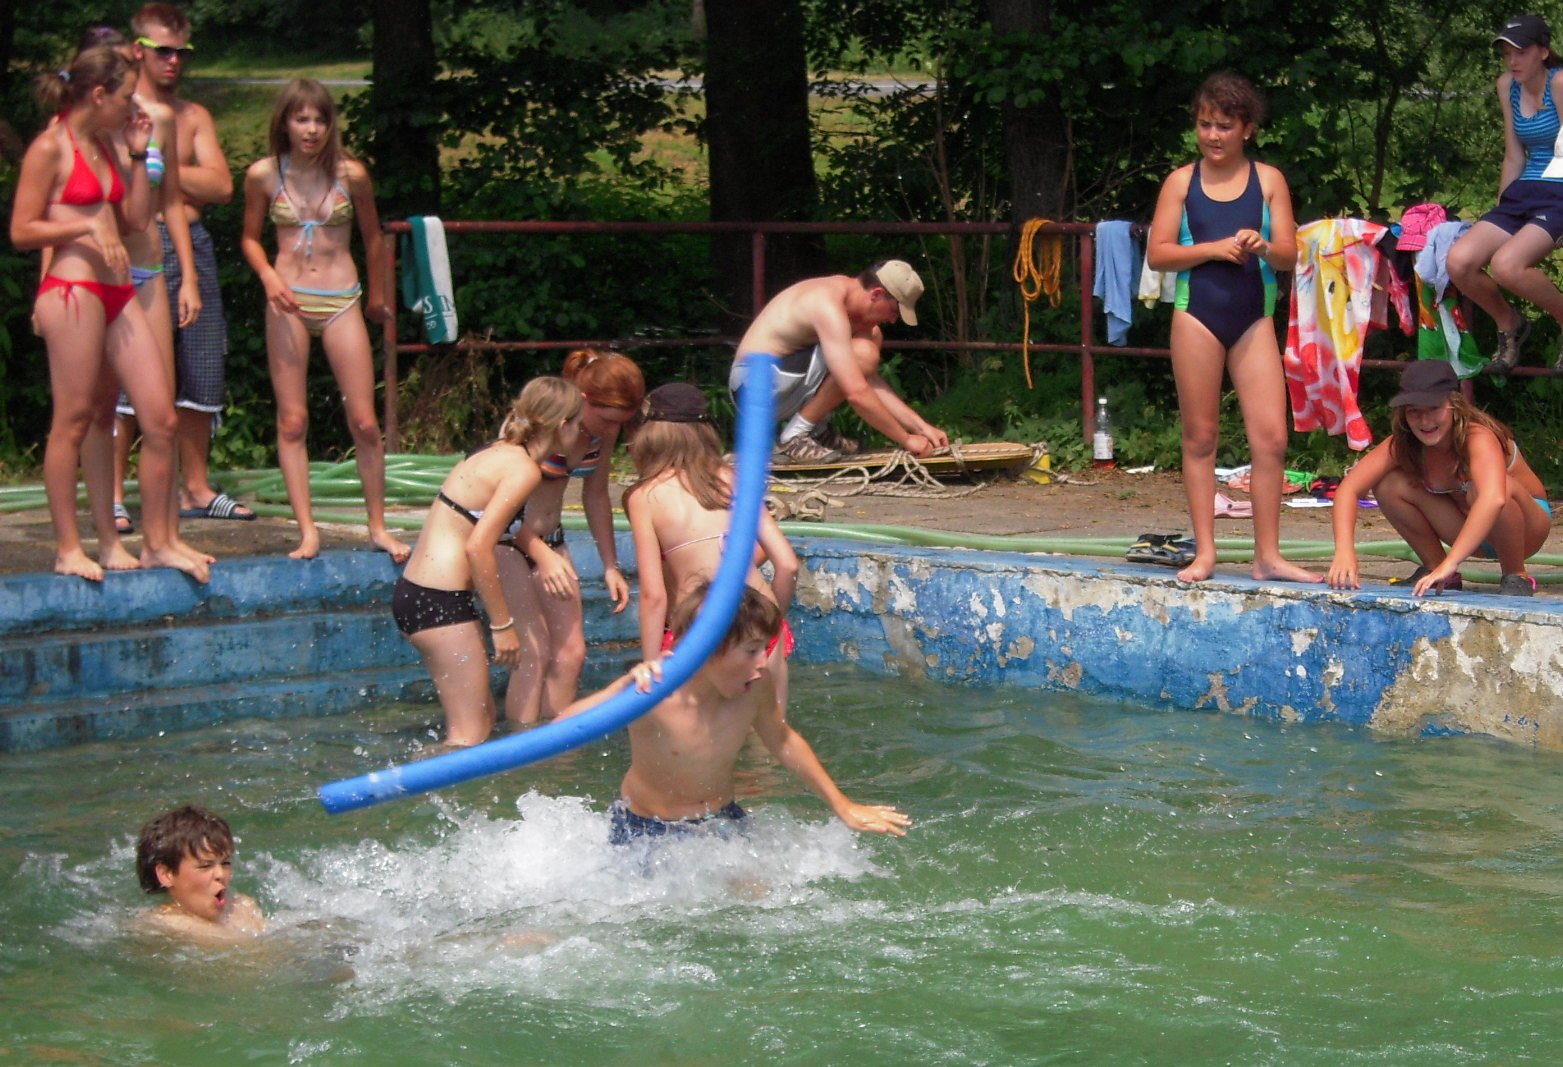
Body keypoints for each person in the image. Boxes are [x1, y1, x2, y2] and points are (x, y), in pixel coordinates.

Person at [10, 46, 206, 583]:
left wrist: (140, 156)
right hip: (73, 290)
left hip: (119, 290)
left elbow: (137, 219)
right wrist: (83, 226)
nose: (133, 107)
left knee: (161, 419)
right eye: (125, 97)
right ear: (98, 96)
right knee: (75, 418)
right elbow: (22, 230)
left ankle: (157, 543)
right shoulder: (50, 148)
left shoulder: (108, 143)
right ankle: (69, 548)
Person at [558, 583, 911, 845]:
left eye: (765, 649)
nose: (763, 663)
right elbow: (562, 729)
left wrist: (843, 806)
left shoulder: (755, 687)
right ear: (707, 648)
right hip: (646, 829)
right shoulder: (654, 695)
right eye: (752, 650)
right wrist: (622, 686)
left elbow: (783, 740)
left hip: (723, 818)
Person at [1145, 72, 1318, 586]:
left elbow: (1289, 255)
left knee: (1271, 439)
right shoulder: (1181, 182)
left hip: (1253, 318)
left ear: (1247, 128)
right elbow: (1158, 254)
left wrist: (1264, 247)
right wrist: (1213, 250)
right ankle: (1205, 553)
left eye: (1224, 126)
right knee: (1201, 437)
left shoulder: (1269, 180)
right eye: (1205, 125)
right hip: (1196, 316)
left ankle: (1268, 555)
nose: (1213, 135)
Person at [240, 79, 409, 562]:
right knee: (293, 420)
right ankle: (308, 531)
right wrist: (268, 276)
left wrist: (378, 297)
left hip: (341, 300)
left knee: (365, 421)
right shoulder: (263, 175)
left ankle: (378, 527)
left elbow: (373, 237)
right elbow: (250, 238)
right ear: (285, 123)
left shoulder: (351, 175)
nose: (311, 129)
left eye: (319, 119)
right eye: (301, 119)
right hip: (288, 302)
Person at [393, 377, 582, 745]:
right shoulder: (524, 470)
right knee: (469, 734)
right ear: (562, 426)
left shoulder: (498, 449)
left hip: (420, 594)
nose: (581, 433)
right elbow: (478, 547)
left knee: (482, 721)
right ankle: (413, 782)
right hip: (438, 601)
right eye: (578, 424)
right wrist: (502, 624)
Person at [122, 4, 250, 523]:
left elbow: (221, 185)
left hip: (189, 241)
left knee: (201, 365)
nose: (174, 60)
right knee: (130, 369)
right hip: (136, 244)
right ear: (138, 51)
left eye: (182, 52)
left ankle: (194, 487)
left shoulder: (192, 116)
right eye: (163, 51)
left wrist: (164, 168)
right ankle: (116, 492)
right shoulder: (120, 110)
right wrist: (167, 170)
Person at [623, 381, 799, 708]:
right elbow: (788, 564)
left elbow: (653, 595)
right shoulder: (735, 479)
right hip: (760, 629)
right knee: (773, 733)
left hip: (702, 629)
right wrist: (769, 626)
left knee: (703, 737)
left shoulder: (644, 497)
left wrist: (650, 663)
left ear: (648, 435)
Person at [500, 350, 643, 723]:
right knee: (534, 652)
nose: (610, 430)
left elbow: (595, 495)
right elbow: (495, 508)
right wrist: (539, 552)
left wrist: (610, 565)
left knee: (571, 653)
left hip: (552, 540)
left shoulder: (601, 433)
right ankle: (521, 743)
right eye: (606, 419)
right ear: (582, 399)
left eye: (619, 424)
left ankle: (556, 741)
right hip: (508, 541)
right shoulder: (532, 423)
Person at [1327, 361, 1550, 597]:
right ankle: (1436, 568)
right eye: (1414, 412)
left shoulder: (1478, 436)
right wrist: (1344, 551)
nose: (1425, 422)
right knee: (1388, 484)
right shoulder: (1403, 443)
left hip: (1525, 530)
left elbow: (1493, 499)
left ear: (1454, 405)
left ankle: (1516, 575)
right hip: (1470, 530)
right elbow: (1349, 489)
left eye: (1433, 408)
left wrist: (1452, 561)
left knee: (1493, 488)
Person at [730, 260, 948, 464]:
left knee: (867, 345)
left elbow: (868, 380)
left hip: (782, 382)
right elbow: (856, 392)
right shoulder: (827, 304)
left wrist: (921, 428)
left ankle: (815, 432)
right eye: (894, 311)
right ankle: (794, 438)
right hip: (753, 386)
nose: (892, 320)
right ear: (877, 294)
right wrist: (905, 439)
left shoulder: (858, 319)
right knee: (862, 353)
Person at [1446, 15, 1563, 375]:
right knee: (1459, 261)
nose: (1512, 61)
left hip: (1559, 191)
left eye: (1521, 52)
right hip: (1524, 190)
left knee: (1506, 266)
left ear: (1543, 52)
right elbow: (1514, 154)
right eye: (1506, 53)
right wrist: (1502, 211)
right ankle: (1509, 323)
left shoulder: (1560, 83)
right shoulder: (1506, 86)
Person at [135, 804, 264, 943]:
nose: (220, 874)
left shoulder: (241, 906)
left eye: (225, 863)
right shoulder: (159, 927)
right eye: (205, 866)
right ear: (166, 874)